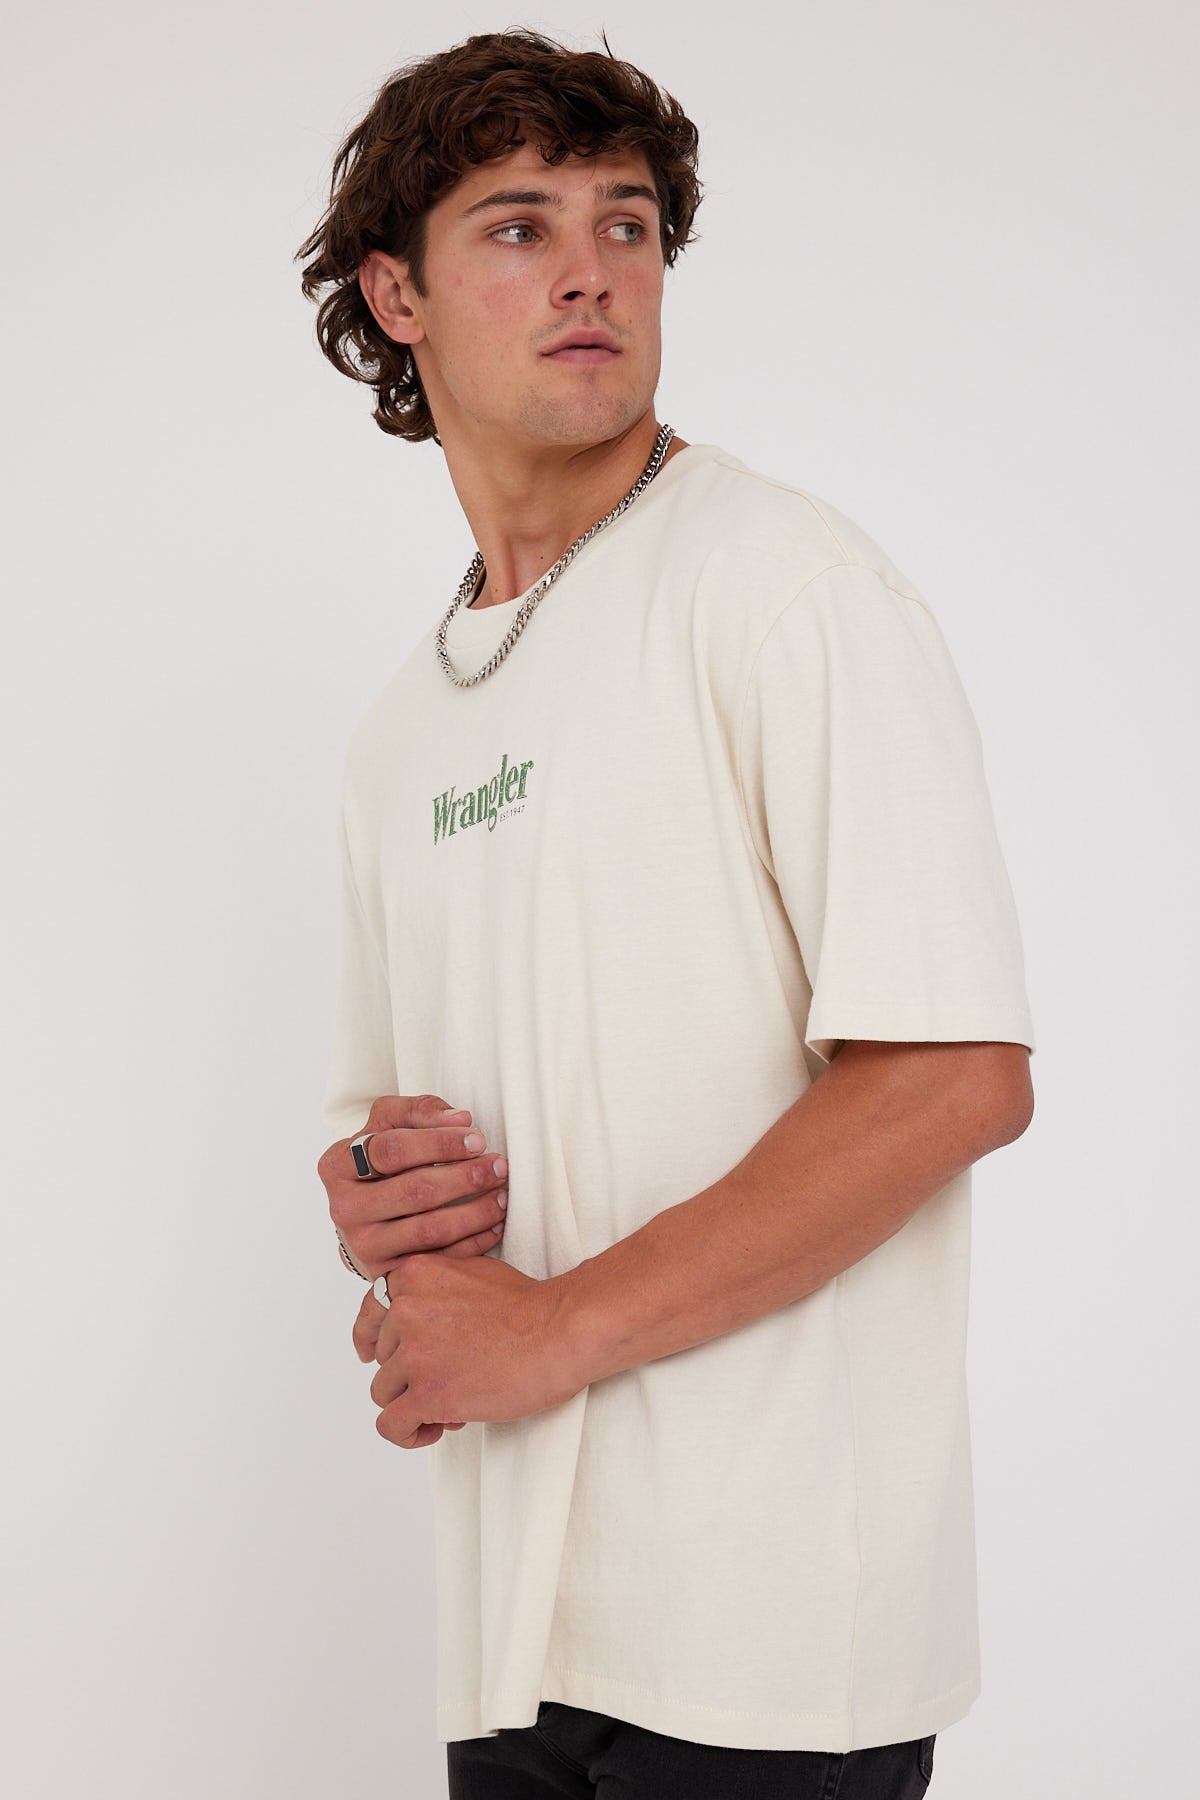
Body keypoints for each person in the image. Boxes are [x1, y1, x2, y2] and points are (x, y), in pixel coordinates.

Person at [300, 28, 1036, 1800]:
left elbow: (954, 1077)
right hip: (515, 1624)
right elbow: (384, 1130)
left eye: (625, 225)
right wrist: (377, 1197)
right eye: (519, 226)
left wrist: (547, 1330)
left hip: (770, 1636)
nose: (590, 273)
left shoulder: (785, 590)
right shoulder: (404, 728)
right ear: (397, 295)